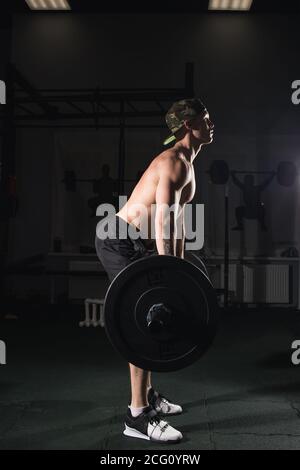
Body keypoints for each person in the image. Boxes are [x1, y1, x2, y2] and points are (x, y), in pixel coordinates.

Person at [95, 98, 214, 443]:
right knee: (146, 317)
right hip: (118, 239)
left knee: (154, 313)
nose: (211, 124)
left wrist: (176, 269)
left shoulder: (186, 165)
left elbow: (176, 223)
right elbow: (162, 219)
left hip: (135, 242)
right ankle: (137, 416)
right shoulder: (174, 163)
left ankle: (148, 397)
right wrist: (166, 274)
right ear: (188, 127)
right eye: (205, 120)